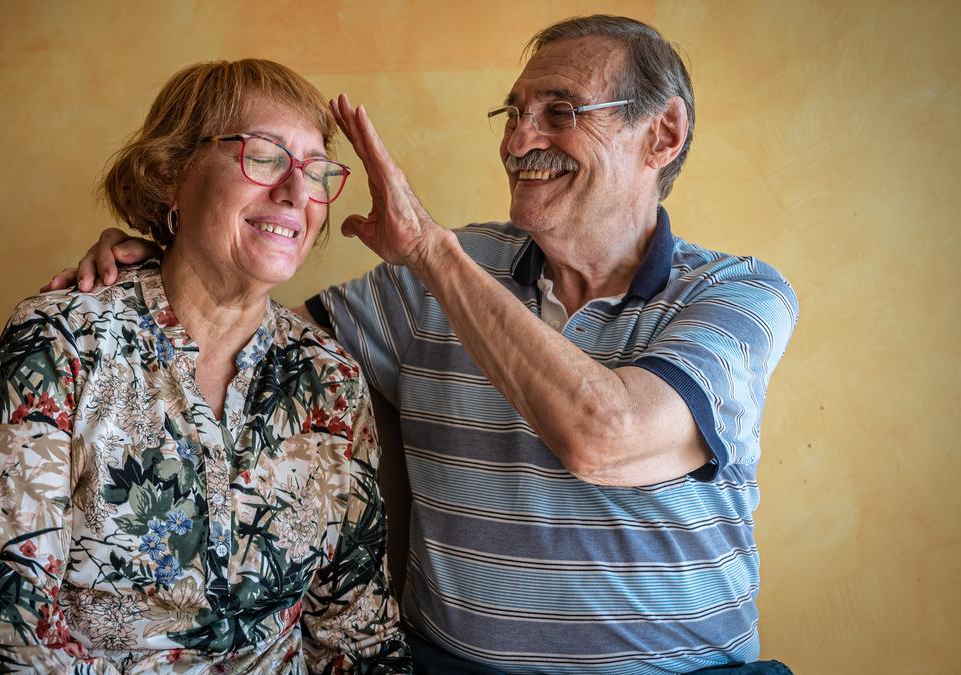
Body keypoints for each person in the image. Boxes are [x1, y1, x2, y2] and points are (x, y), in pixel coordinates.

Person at [50, 16, 799, 675]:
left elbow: (607, 437)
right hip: (451, 666)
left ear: (662, 135)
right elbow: (252, 340)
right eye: (513, 113)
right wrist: (169, 256)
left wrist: (432, 253)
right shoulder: (437, 274)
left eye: (559, 111)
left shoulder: (737, 295)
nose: (518, 139)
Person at [0, 58, 411, 673]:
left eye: (316, 170)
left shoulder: (330, 381)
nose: (297, 192)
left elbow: (355, 632)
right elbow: (0, 630)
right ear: (171, 176)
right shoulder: (61, 342)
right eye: (265, 156)